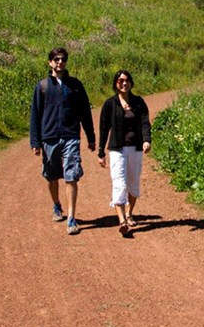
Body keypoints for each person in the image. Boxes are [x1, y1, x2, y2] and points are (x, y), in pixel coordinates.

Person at [30, 47, 96, 235]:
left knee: (71, 175)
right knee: (52, 176)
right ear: (50, 62)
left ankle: (71, 217)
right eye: (56, 59)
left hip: (70, 136)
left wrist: (90, 137)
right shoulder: (42, 86)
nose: (60, 62)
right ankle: (56, 205)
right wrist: (35, 141)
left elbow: (85, 112)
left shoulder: (75, 85)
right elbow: (35, 115)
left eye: (63, 59)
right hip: (49, 137)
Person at [97, 69, 151, 236]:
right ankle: (122, 221)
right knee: (119, 183)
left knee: (133, 183)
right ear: (116, 84)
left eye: (127, 80)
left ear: (131, 83)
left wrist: (146, 140)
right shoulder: (110, 104)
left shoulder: (139, 102)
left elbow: (145, 123)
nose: (124, 83)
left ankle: (129, 213)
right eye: (120, 81)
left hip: (135, 148)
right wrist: (101, 151)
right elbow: (104, 128)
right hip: (117, 149)